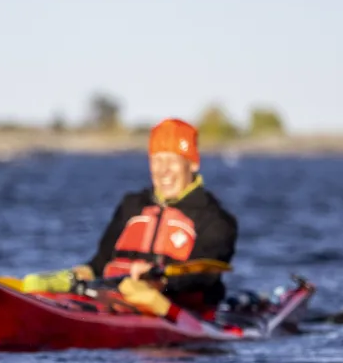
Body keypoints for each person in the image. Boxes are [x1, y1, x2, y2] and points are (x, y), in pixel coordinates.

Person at [25, 118, 238, 317]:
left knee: (136, 290)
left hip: (179, 309)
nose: (163, 171)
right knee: (33, 282)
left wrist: (159, 281)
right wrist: (75, 275)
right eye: (156, 160)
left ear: (192, 164)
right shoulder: (132, 206)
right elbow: (100, 264)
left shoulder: (217, 220)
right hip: (114, 297)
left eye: (172, 161)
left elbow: (202, 277)